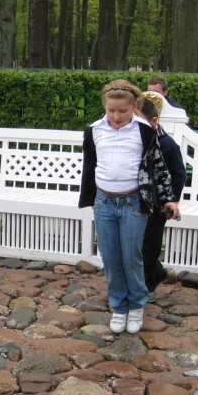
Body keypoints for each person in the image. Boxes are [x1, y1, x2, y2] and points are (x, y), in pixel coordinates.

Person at [78, 80, 180, 335]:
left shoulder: (144, 131)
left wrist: (170, 198)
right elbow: (89, 166)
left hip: (134, 202)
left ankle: (136, 305)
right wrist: (90, 199)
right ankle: (119, 307)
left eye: (122, 111)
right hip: (104, 202)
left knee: (132, 257)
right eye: (111, 110)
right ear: (105, 106)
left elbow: (158, 166)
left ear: (134, 107)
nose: (116, 116)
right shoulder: (94, 130)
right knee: (111, 258)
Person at [138, 91, 186, 302]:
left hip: (158, 206)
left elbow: (179, 174)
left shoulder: (167, 145)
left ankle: (148, 286)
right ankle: (157, 273)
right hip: (139, 203)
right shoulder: (139, 142)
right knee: (138, 246)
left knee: (149, 245)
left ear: (153, 121)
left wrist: (171, 200)